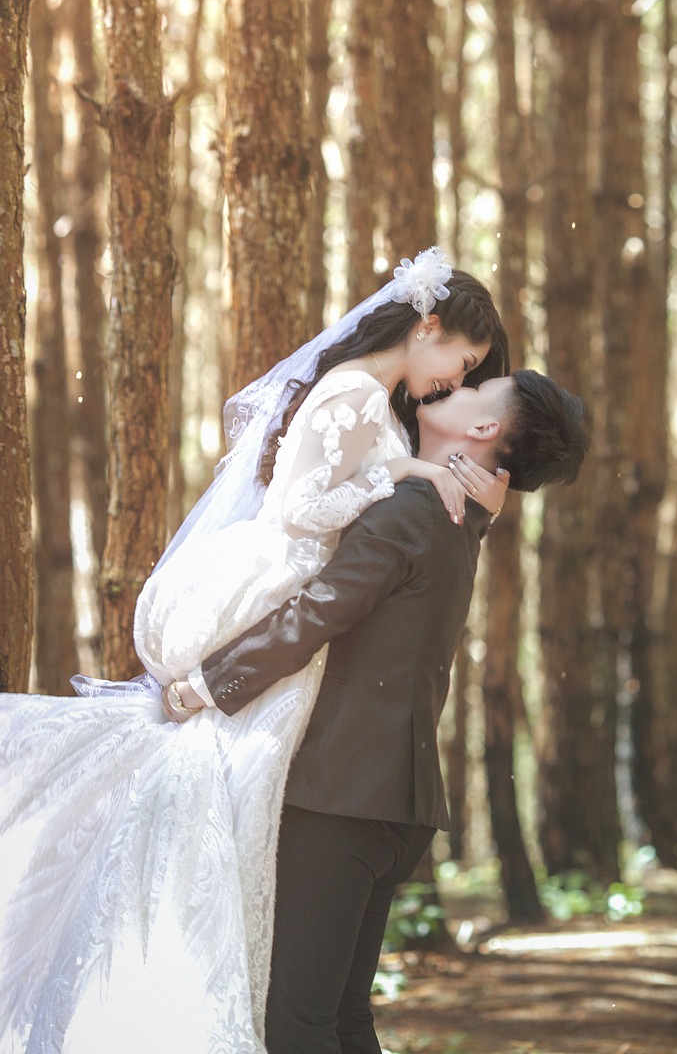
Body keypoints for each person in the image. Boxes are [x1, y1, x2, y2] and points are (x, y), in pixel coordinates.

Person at [0, 249, 510, 1054]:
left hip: (304, 618)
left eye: (471, 372)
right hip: (280, 588)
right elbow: (305, 506)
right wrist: (403, 473)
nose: (453, 380)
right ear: (427, 325)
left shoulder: (373, 399)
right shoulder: (352, 390)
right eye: (461, 359)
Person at [170, 369, 590, 1054]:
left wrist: (206, 686)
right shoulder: (457, 516)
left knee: (296, 1024)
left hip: (342, 797)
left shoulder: (414, 512)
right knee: (340, 1020)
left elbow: (317, 613)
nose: (453, 386)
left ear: (484, 430)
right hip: (396, 804)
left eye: (476, 389)